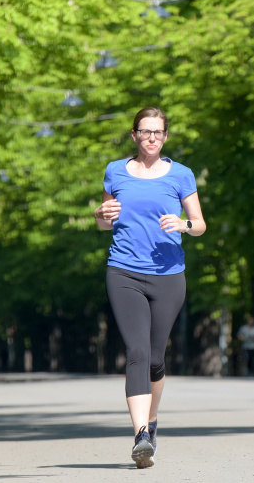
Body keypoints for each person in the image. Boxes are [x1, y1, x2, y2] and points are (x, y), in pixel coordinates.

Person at [95, 107, 206, 469]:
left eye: (158, 133)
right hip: (123, 270)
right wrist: (100, 217)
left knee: (157, 357)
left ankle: (152, 422)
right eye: (145, 132)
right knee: (138, 351)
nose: (152, 138)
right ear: (134, 135)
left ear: (166, 136)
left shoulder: (181, 175)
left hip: (169, 274)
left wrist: (183, 223)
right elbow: (106, 221)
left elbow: (201, 224)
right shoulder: (115, 171)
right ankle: (141, 434)